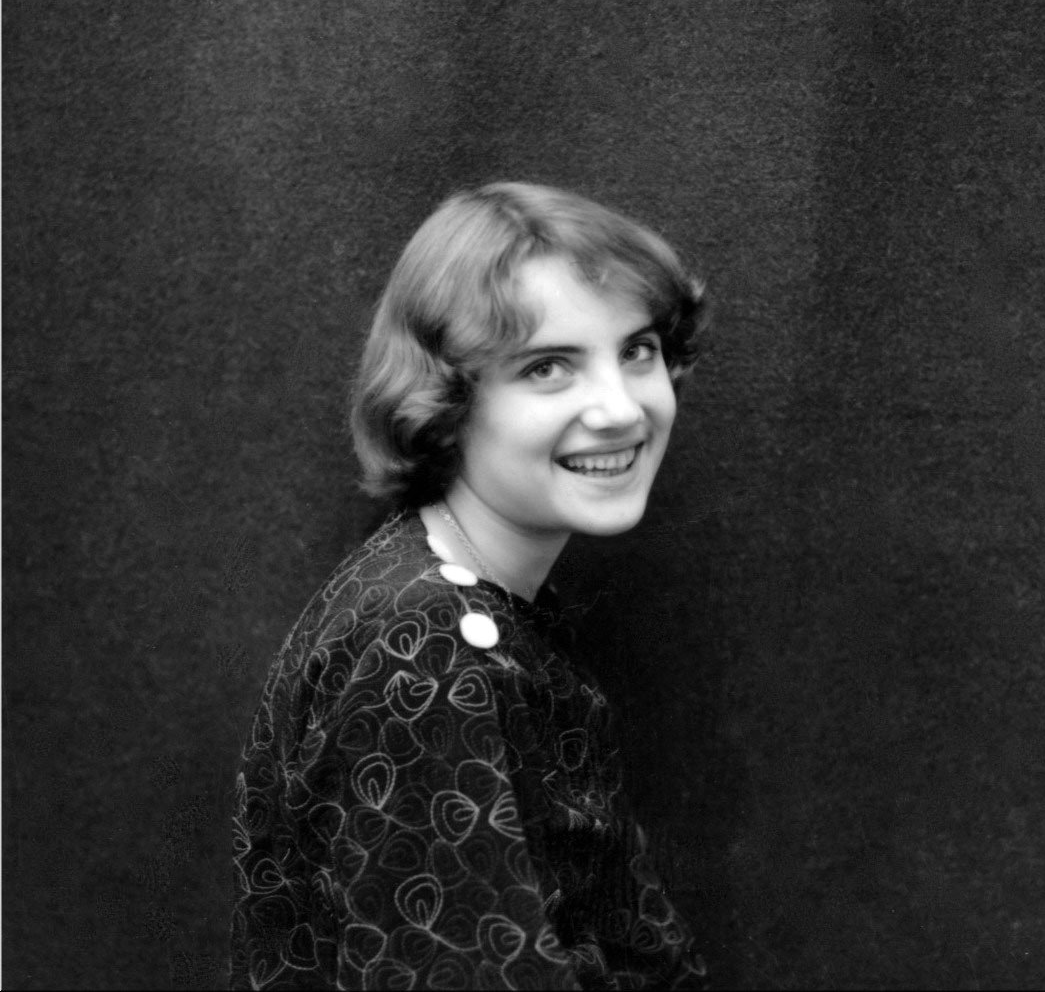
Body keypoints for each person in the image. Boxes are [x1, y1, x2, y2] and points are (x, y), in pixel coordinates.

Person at [229, 182, 709, 990]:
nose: (620, 409)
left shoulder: (470, 600)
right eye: (547, 366)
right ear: (446, 401)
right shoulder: (425, 643)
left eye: (636, 350)